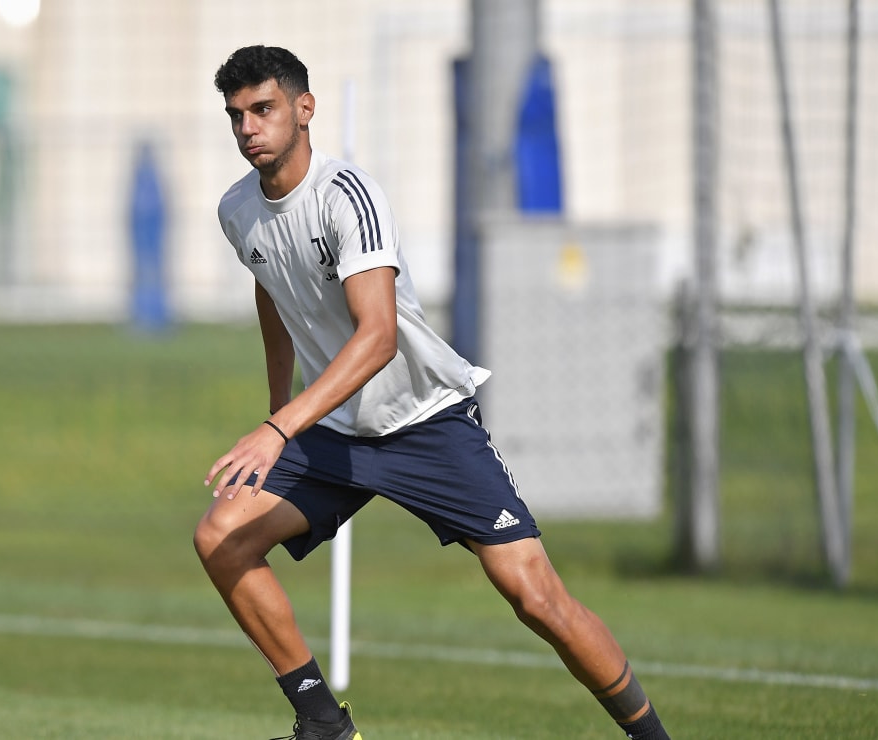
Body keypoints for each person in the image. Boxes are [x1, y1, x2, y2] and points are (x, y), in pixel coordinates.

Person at [194, 44, 671, 740]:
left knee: (536, 598)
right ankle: (322, 723)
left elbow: (378, 337)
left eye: (262, 109)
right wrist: (279, 412)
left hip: (425, 421)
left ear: (305, 109)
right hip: (333, 430)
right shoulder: (237, 210)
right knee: (221, 538)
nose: (248, 128)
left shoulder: (347, 196)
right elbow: (274, 291)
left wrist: (278, 429)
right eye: (236, 116)